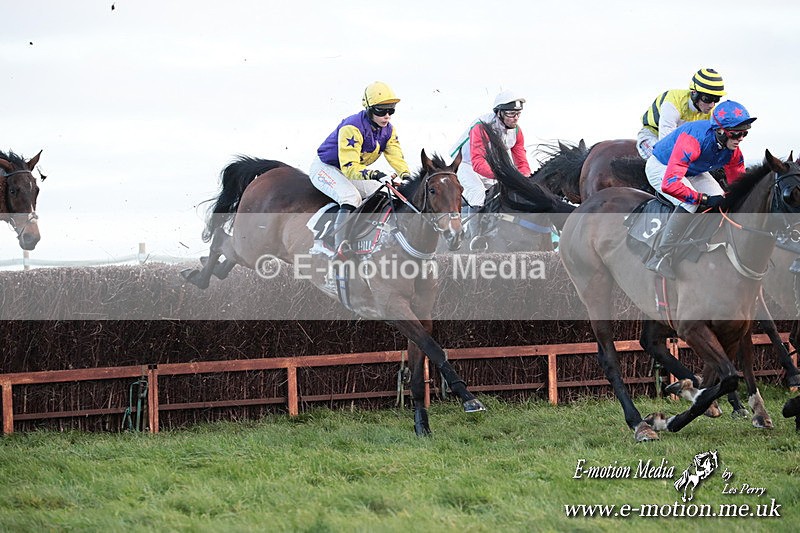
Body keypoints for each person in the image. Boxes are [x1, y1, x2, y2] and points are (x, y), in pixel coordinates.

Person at [644, 100, 756, 279]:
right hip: (662, 167)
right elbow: (670, 185)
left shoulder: (733, 150)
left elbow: (740, 187)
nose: (740, 139)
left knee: (721, 198)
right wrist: (702, 199)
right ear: (720, 131)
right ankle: (660, 256)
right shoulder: (693, 140)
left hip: (692, 170)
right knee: (690, 204)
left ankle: (702, 240)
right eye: (736, 134)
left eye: (744, 133)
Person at [309, 81, 412, 256]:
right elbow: (349, 168)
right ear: (370, 108)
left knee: (385, 192)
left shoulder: (388, 130)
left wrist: (407, 176)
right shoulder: (352, 127)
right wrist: (376, 173)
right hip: (327, 168)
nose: (387, 115)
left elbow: (396, 156)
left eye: (391, 110)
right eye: (382, 110)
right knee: (351, 197)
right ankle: (334, 244)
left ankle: (365, 238)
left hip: (352, 169)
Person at [451, 90, 532, 236]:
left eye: (518, 113)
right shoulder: (481, 126)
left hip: (491, 169)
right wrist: (503, 176)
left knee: (502, 196)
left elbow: (521, 160)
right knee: (478, 194)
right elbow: (477, 161)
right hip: (467, 167)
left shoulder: (517, 131)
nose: (516, 118)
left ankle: (493, 232)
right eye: (511, 114)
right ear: (499, 112)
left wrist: (525, 178)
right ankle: (474, 238)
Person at [636, 68, 727, 159]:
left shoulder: (711, 113)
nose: (711, 105)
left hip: (682, 141)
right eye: (707, 99)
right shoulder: (673, 102)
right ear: (694, 93)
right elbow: (666, 143)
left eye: (716, 99)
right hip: (652, 134)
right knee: (662, 160)